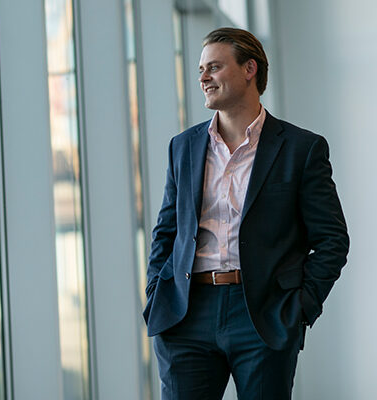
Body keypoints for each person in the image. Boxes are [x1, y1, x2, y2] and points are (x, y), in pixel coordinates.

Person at [143, 27, 349, 400]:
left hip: (263, 314)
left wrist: (299, 308)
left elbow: (332, 240)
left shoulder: (302, 149)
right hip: (186, 313)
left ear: (249, 68)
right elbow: (167, 231)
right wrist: (156, 292)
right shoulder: (183, 147)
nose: (203, 77)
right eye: (201, 69)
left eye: (215, 67)